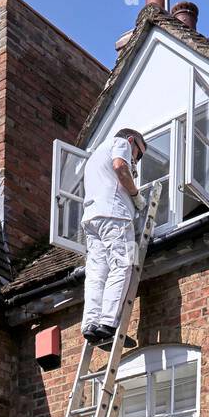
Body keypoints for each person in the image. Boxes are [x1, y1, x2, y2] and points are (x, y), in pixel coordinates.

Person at [81, 128, 147, 348]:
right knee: (122, 265)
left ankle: (91, 324)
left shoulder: (94, 157)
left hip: (92, 218)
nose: (136, 159)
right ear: (132, 140)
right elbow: (120, 167)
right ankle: (108, 324)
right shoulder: (122, 143)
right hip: (114, 214)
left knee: (97, 272)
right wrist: (136, 195)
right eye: (139, 153)